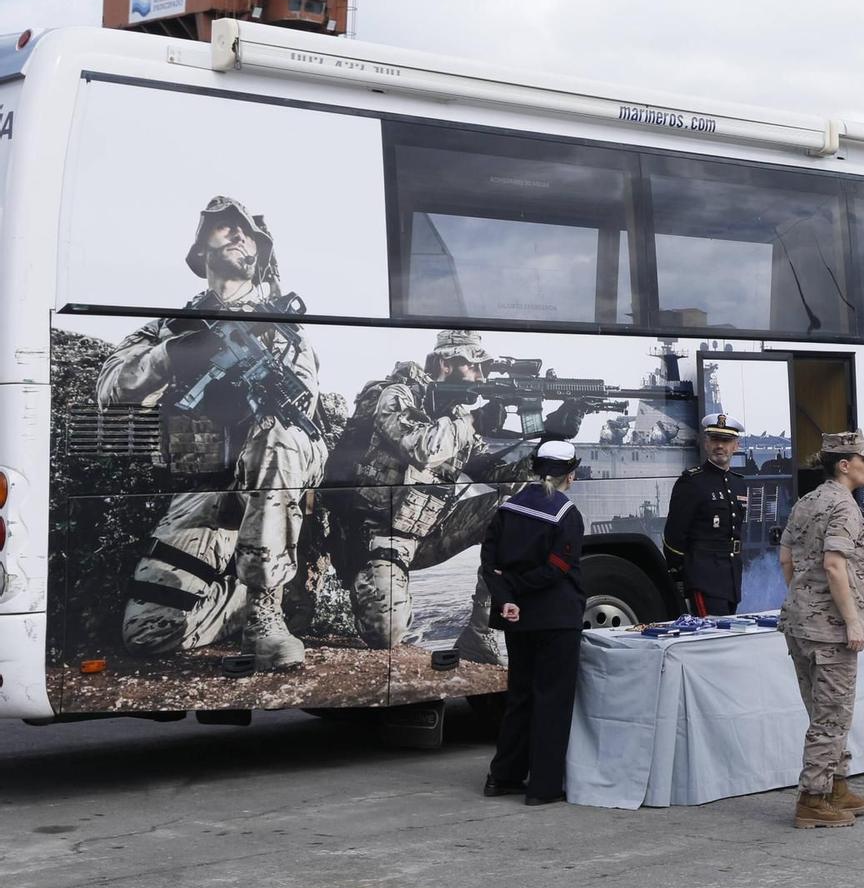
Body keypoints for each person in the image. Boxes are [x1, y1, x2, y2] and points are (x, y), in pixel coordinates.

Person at [97, 196, 326, 671]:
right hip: (200, 495)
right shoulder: (169, 326)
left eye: (247, 233)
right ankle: (242, 593)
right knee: (147, 634)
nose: (239, 235)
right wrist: (177, 354)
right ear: (201, 248)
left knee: (278, 437)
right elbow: (109, 389)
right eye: (225, 227)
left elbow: (304, 420)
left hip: (261, 485)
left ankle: (266, 609)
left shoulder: (284, 330)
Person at [323, 329, 586, 662]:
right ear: (446, 363)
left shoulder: (458, 418)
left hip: (427, 532)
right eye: (473, 367)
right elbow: (422, 447)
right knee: (385, 632)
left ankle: (480, 635)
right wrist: (475, 421)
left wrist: (551, 437)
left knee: (516, 506)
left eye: (483, 369)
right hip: (375, 537)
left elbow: (499, 477)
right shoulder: (393, 395)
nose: (479, 376)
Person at [777, 430, 864, 829]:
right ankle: (813, 798)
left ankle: (836, 784)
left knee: (824, 711)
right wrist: (851, 620)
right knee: (832, 716)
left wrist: (805, 600)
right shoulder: (844, 507)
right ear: (844, 465)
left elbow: (786, 558)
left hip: (802, 625)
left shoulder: (807, 502)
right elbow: (835, 564)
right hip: (831, 631)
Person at [481, 438, 587, 806]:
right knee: (552, 701)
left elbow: (489, 563)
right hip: (556, 619)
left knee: (520, 697)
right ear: (568, 475)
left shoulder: (507, 509)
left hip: (518, 619)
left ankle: (503, 776)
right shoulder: (566, 515)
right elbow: (557, 570)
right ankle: (542, 787)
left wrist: (508, 597)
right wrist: (519, 590)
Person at [663, 412, 748, 616]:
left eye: (726, 440)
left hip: (731, 578)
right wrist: (683, 576)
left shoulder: (739, 484)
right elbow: (674, 538)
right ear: (706, 443)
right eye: (715, 439)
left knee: (727, 639)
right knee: (712, 639)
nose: (720, 445)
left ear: (736, 446)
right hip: (704, 577)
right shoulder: (691, 482)